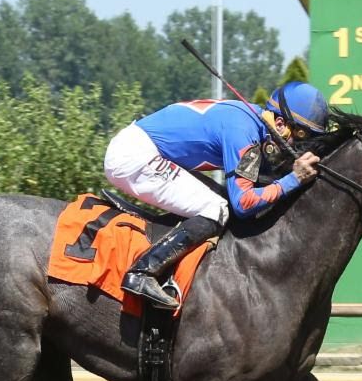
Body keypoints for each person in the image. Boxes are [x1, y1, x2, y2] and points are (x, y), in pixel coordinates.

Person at [103, 81, 327, 308]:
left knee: (219, 200)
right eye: (298, 140)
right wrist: (293, 179)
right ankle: (142, 272)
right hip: (133, 157)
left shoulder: (251, 122)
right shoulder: (243, 132)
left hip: (140, 149)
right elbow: (244, 203)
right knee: (216, 208)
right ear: (280, 124)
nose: (295, 148)